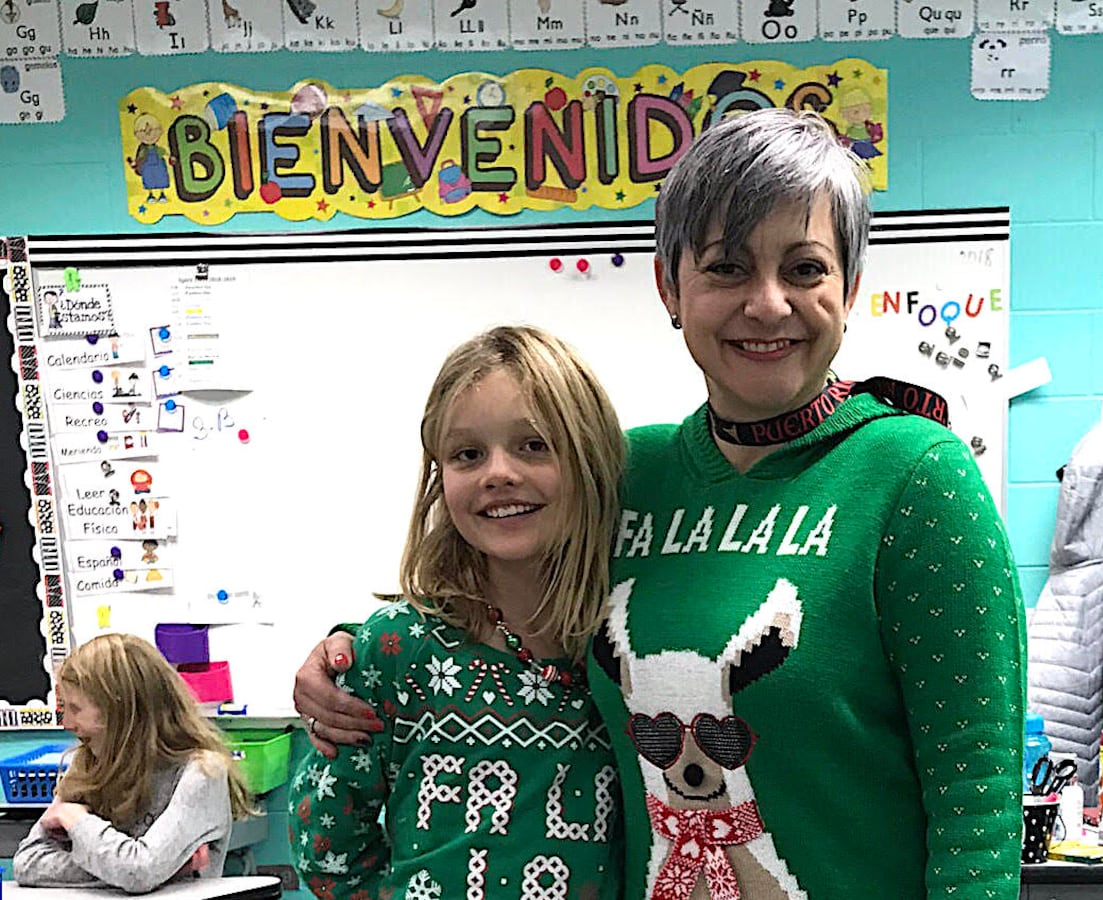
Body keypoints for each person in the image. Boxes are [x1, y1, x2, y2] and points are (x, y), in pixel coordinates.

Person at [295, 109, 1026, 899]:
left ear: (850, 288)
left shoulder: (917, 476)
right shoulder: (628, 472)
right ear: (669, 285)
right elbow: (503, 592)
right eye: (727, 268)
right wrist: (349, 652)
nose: (769, 303)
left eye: (806, 269)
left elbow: (977, 802)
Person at [289, 326, 626, 900]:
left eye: (535, 444)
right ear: (439, 476)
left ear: (590, 458)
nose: (498, 473)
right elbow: (328, 846)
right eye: (468, 454)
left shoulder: (627, 638)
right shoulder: (398, 649)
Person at [13, 634, 255, 892]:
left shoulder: (202, 773)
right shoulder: (89, 763)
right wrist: (158, 871)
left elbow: (139, 871)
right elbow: (28, 862)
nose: (68, 724)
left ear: (122, 710)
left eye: (76, 708)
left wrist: (75, 819)